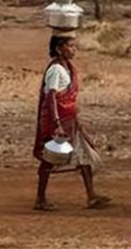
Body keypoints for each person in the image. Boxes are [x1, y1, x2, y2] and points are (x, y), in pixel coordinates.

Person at [33, 34, 110, 211]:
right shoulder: (56, 70)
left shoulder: (68, 68)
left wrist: (80, 127)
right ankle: (40, 199)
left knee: (83, 156)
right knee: (50, 158)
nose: (74, 49)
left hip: (70, 120)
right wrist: (57, 123)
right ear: (59, 48)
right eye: (70, 46)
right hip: (58, 121)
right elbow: (51, 96)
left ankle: (91, 196)